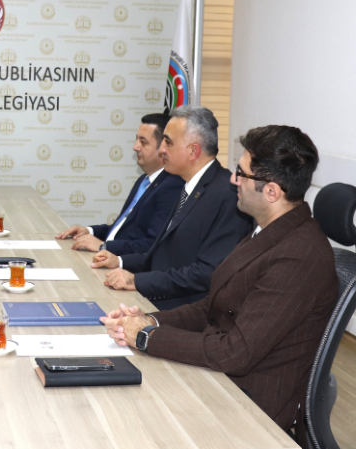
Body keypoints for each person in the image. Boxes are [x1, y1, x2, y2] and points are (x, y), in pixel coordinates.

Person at [102, 125, 338, 430]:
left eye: (241, 173)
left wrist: (146, 337)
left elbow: (235, 352)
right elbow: (213, 306)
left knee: (126, 415)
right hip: (221, 376)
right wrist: (150, 321)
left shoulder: (299, 255)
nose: (233, 179)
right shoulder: (268, 230)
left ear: (271, 192)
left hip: (250, 404)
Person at [92, 105, 252, 309]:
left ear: (193, 151)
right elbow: (163, 255)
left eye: (168, 142)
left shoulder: (227, 194)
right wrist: (120, 262)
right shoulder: (188, 186)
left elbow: (208, 273)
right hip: (155, 301)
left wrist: (138, 281)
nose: (161, 150)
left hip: (183, 313)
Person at [56, 112, 183, 255]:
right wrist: (89, 231)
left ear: (163, 147)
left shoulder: (171, 186)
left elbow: (151, 245)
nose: (135, 147)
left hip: (124, 264)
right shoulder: (143, 180)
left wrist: (104, 246)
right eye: (136, 140)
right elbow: (122, 230)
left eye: (143, 142)